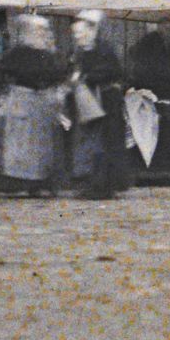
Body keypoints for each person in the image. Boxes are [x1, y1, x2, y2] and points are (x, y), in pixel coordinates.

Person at [0, 14, 68, 197]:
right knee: (19, 146)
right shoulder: (16, 54)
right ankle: (19, 184)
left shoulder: (50, 54)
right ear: (27, 32)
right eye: (38, 30)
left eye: (44, 30)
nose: (42, 33)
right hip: (22, 101)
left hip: (43, 103)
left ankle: (41, 184)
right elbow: (1, 73)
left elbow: (59, 74)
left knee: (43, 146)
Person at [66, 10, 133, 200]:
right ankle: (92, 183)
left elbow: (113, 71)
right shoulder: (80, 51)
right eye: (76, 34)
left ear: (91, 30)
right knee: (90, 143)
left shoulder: (104, 49)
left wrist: (87, 76)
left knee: (104, 143)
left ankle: (103, 185)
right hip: (89, 103)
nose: (78, 37)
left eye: (81, 33)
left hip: (106, 103)